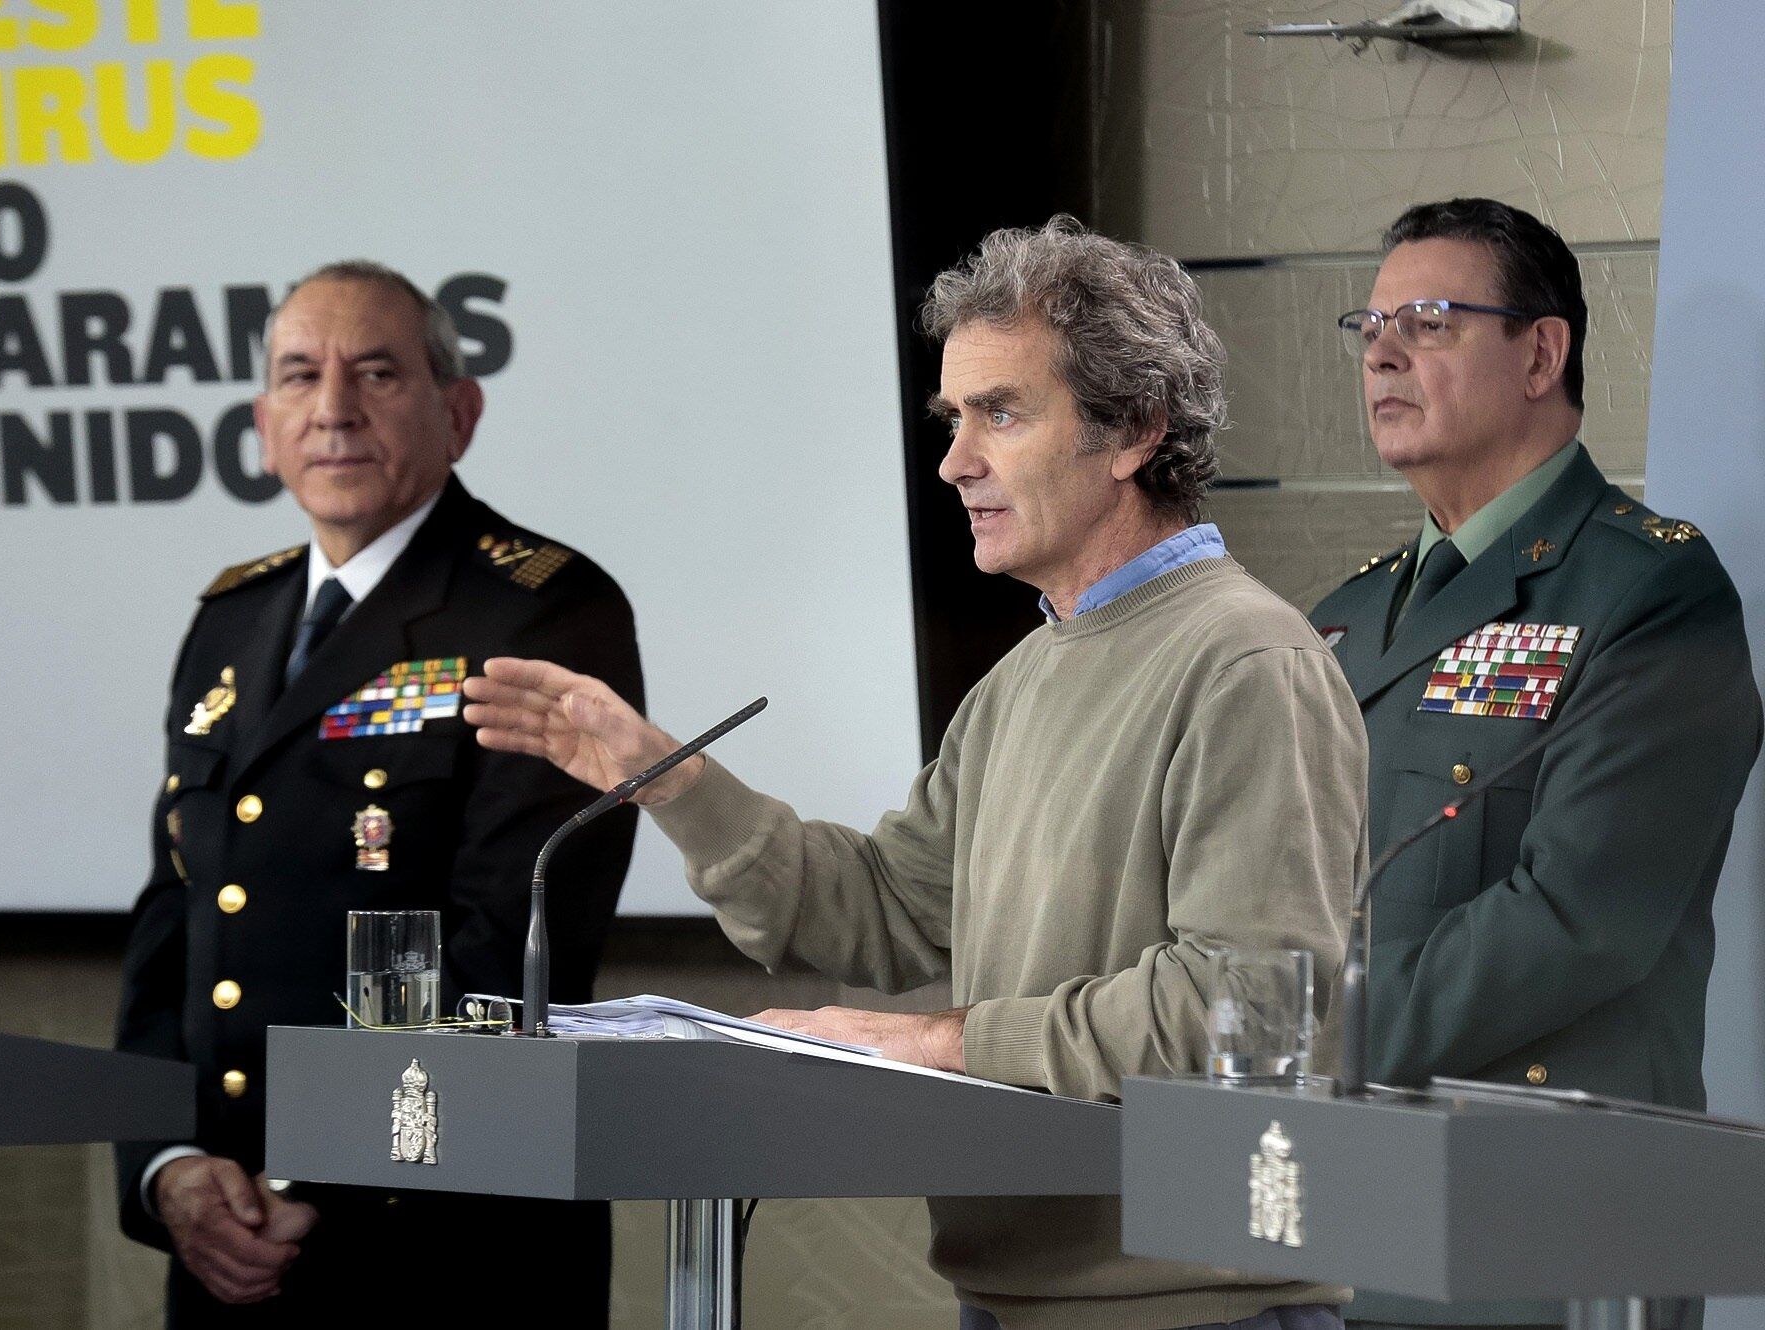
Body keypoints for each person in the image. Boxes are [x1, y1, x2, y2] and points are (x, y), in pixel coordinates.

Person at [464, 217, 1367, 1330]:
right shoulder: (1026, 673)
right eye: (952, 417)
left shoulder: (1245, 662)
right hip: (1012, 1290)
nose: (953, 462)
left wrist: (944, 1040)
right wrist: (668, 780)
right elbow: (886, 915)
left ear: (1133, 428)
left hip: (1191, 1304)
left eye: (1000, 412)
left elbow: (1240, 1002)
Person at [114, 261, 643, 1325]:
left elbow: (506, 946)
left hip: (441, 1247)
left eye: (376, 373)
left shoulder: (540, 611)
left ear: (460, 410)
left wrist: (315, 1177)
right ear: (263, 422)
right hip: (223, 1240)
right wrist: (166, 1162)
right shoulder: (231, 617)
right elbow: (176, 918)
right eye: (299, 376)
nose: (334, 409)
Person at [1309, 198, 1761, 1328]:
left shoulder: (1646, 590)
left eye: (1425, 319)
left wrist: (1303, 1035)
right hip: (1338, 1203)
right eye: (1368, 322)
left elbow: (1578, 916)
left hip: (1541, 1213)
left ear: (1539, 352)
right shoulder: (1346, 615)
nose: (1379, 348)